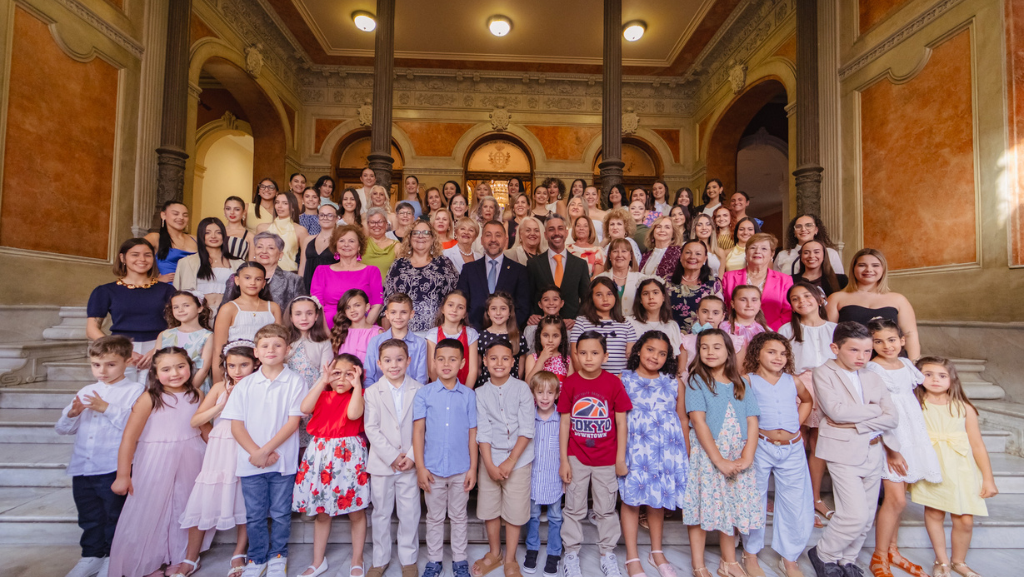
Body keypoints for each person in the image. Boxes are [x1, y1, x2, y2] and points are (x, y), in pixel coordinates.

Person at [807, 322, 899, 577]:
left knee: (867, 516)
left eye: (867, 351)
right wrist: (875, 410)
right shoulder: (823, 373)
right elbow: (836, 412)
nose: (862, 357)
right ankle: (823, 554)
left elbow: (892, 417)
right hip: (842, 451)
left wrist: (858, 422)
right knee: (854, 515)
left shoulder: (873, 375)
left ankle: (847, 560)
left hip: (874, 449)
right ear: (835, 348)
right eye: (854, 350)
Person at [108, 347, 209, 577]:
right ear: (154, 372)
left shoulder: (197, 394)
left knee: (186, 505)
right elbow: (129, 437)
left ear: (190, 367)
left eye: (180, 366)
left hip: (192, 456)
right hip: (155, 459)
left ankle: (182, 557)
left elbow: (204, 429)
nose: (175, 373)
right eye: (166, 369)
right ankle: (146, 561)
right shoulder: (149, 398)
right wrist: (123, 475)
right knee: (148, 507)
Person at [222, 324, 308, 577]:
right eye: (265, 345)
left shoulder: (295, 382)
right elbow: (236, 425)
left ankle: (278, 556)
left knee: (281, 513)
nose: (271, 349)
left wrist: (265, 451)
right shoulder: (245, 384)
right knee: (255, 514)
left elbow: (292, 423)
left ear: (287, 350)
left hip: (282, 462)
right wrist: (256, 453)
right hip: (250, 463)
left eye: (277, 345)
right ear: (256, 352)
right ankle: (256, 558)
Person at [56, 336, 144, 577]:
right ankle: (91, 556)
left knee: (115, 516)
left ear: (128, 361)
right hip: (83, 467)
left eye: (110, 364)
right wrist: (72, 414)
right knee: (89, 516)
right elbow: (62, 429)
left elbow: (135, 427)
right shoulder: (86, 391)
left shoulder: (135, 391)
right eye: (96, 365)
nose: (102, 371)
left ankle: (113, 558)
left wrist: (106, 408)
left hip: (112, 467)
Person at [682, 329, 762, 577]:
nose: (710, 352)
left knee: (731, 505)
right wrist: (718, 460)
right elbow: (698, 422)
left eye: (717, 347)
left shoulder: (741, 382)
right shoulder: (696, 381)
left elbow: (752, 420)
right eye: (704, 347)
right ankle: (698, 565)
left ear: (728, 351)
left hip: (737, 452)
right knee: (702, 507)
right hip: (709, 454)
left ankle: (729, 562)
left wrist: (747, 456)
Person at [866, 319, 942, 577]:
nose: (886, 346)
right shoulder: (872, 369)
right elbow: (877, 411)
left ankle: (893, 551)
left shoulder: (907, 364)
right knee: (896, 499)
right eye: (878, 341)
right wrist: (892, 449)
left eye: (891, 340)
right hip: (891, 439)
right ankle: (879, 555)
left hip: (911, 435)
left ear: (902, 340)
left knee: (900, 500)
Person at [910, 357, 998, 577]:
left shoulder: (964, 408)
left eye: (942, 375)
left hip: (962, 470)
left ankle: (959, 562)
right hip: (932, 466)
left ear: (952, 379)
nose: (935, 380)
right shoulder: (915, 405)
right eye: (928, 374)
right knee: (935, 512)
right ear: (918, 377)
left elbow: (977, 445)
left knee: (965, 520)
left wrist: (988, 479)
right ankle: (942, 561)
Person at [179, 340, 256, 577]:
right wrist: (221, 407)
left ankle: (239, 552)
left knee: (245, 498)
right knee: (205, 496)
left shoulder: (258, 387)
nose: (237, 371)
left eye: (244, 365)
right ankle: (191, 557)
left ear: (255, 364)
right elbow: (195, 421)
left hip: (247, 444)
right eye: (232, 366)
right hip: (221, 445)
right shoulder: (219, 388)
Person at [558, 331, 632, 577]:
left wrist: (620, 459)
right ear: (576, 355)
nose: (588, 358)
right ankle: (571, 553)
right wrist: (564, 460)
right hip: (576, 457)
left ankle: (607, 553)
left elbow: (621, 423)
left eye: (594, 353)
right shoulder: (570, 383)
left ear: (605, 356)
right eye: (583, 353)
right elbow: (565, 424)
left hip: (607, 459)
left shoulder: (613, 383)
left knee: (606, 510)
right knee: (573, 508)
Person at [740, 333, 814, 577]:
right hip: (760, 445)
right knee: (754, 497)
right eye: (771, 352)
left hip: (792, 448)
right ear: (757, 353)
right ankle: (750, 553)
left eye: (783, 353)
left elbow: (807, 401)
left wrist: (795, 426)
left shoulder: (793, 381)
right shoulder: (747, 381)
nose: (778, 357)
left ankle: (789, 557)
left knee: (794, 501)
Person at [619, 331, 688, 577]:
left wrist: (686, 454)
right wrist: (619, 455)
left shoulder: (673, 382)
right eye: (650, 349)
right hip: (635, 449)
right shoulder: (624, 380)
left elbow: (682, 418)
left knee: (657, 500)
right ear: (638, 350)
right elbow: (618, 420)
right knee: (631, 500)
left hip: (667, 451)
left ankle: (656, 552)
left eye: (662, 353)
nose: (655, 356)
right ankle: (632, 556)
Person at [293, 354, 368, 577]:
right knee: (322, 512)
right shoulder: (322, 395)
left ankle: (357, 559)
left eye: (349, 374)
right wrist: (322, 380)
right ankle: (318, 561)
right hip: (321, 455)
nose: (342, 379)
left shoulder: (360, 396)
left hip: (349, 456)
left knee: (356, 510)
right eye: (337, 373)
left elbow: (353, 414)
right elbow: (304, 407)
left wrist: (357, 386)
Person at [414, 339, 478, 577]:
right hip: (432, 469)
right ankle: (434, 560)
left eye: (452, 359)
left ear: (462, 363)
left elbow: (473, 433)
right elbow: (418, 432)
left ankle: (460, 560)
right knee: (434, 517)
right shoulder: (424, 394)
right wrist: (420, 467)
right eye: (440, 359)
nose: (446, 364)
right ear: (433, 362)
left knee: (459, 516)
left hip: (461, 468)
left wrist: (473, 468)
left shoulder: (469, 395)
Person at [472, 339, 536, 577]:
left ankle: (510, 558)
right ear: (485, 361)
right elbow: (483, 430)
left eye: (505, 358)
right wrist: (489, 464)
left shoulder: (522, 389)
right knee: (490, 508)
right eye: (493, 358)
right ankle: (494, 553)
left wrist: (510, 461)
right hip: (490, 456)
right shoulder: (480, 393)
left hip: (519, 459)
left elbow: (527, 429)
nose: (499, 363)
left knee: (515, 510)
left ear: (513, 362)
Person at [777, 282, 837, 528]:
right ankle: (795, 499)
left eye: (807, 296)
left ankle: (815, 498)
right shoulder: (787, 329)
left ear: (820, 299)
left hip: (829, 387)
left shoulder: (835, 329)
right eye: (795, 298)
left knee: (818, 444)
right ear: (791, 306)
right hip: (798, 387)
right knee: (796, 442)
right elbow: (781, 362)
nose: (802, 301)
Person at [87, 238, 177, 380]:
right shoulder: (105, 291)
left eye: (147, 255)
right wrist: (120, 350)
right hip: (119, 351)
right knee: (119, 392)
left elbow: (177, 325)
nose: (142, 259)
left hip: (159, 348)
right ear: (122, 258)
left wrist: (157, 349)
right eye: (135, 254)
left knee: (157, 393)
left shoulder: (167, 290)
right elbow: (91, 329)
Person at [827, 248, 921, 359]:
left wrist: (913, 364)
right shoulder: (836, 298)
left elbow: (910, 334)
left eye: (875, 265)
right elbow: (828, 335)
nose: (869, 269)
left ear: (883, 269)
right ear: (853, 268)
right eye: (862, 265)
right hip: (851, 361)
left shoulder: (898, 299)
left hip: (891, 362)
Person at [523, 371, 564, 577]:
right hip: (533, 479)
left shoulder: (561, 419)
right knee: (532, 516)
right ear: (533, 394)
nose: (545, 397)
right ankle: (532, 549)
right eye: (540, 392)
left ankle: (554, 553)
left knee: (556, 517)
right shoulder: (528, 418)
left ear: (557, 394)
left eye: (550, 393)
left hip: (554, 479)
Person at [385, 220, 460, 333]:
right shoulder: (398, 265)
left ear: (433, 238)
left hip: (435, 333)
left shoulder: (444, 264)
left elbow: (454, 297)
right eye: (416, 233)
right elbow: (387, 300)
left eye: (426, 233)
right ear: (409, 238)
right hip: (402, 332)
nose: (420, 236)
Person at [212, 262, 282, 382]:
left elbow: (279, 343)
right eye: (247, 278)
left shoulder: (273, 308)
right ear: (237, 280)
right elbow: (218, 350)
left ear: (264, 283)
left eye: (258, 279)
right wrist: (218, 383)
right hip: (237, 371)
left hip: (267, 369)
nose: (253, 282)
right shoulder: (228, 309)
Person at [457, 220, 531, 330]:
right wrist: (470, 330)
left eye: (498, 235)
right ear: (481, 240)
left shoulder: (519, 271)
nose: (493, 240)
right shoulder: (469, 269)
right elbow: (461, 302)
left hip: (507, 333)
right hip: (473, 333)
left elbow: (523, 308)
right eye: (488, 235)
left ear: (505, 240)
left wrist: (505, 330)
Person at [283, 296, 334, 452]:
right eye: (298, 314)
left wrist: (309, 398)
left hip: (314, 395)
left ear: (317, 316)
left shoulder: (323, 342)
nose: (304, 318)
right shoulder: (284, 341)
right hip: (289, 396)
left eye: (309, 313)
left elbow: (324, 373)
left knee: (310, 444)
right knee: (290, 439)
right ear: (290, 317)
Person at [310, 224, 384, 330]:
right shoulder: (321, 271)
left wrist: (361, 331)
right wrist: (327, 334)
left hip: (364, 328)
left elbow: (377, 305)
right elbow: (317, 305)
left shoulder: (372, 271)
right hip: (329, 329)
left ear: (359, 246)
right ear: (335, 245)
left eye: (351, 241)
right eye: (341, 241)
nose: (346, 244)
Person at [220, 232, 308, 313]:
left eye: (270, 248)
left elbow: (302, 311)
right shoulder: (236, 278)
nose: (264, 251)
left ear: (280, 255)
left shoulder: (294, 280)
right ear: (254, 251)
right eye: (259, 247)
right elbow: (223, 310)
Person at [527, 215, 592, 322]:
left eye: (560, 228)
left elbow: (587, 300)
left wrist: (576, 320)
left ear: (566, 233)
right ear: (545, 235)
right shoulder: (534, 264)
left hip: (572, 326)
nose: (556, 233)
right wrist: (532, 315)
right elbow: (528, 297)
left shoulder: (580, 264)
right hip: (543, 325)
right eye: (551, 229)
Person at [722, 233, 793, 330]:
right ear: (746, 252)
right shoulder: (728, 277)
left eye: (764, 248)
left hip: (772, 333)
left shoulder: (785, 280)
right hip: (735, 333)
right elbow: (724, 308)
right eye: (753, 248)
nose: (757, 251)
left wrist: (767, 331)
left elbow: (788, 312)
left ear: (772, 254)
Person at [175, 217, 243, 314]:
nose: (213, 236)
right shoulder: (186, 262)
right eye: (207, 232)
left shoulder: (239, 263)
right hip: (198, 315)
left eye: (218, 232)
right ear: (201, 235)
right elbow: (177, 295)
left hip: (229, 314)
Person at [568, 277, 637, 374]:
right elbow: (575, 355)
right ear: (591, 298)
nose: (605, 299)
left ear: (615, 296)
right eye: (599, 295)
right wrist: (587, 378)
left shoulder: (626, 323)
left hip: (620, 379)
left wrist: (622, 379)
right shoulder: (581, 322)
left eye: (609, 294)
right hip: (590, 379)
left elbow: (631, 358)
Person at [363, 294, 429, 386]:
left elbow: (421, 379)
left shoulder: (420, 343)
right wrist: (374, 393)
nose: (398, 317)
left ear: (411, 314)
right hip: (379, 393)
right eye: (393, 312)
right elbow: (368, 376)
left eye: (403, 312)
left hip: (411, 393)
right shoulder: (375, 342)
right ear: (387, 314)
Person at [156, 291, 214, 391]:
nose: (180, 310)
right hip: (167, 389)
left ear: (200, 308)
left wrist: (188, 392)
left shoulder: (207, 336)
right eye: (176, 307)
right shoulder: (164, 335)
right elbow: (156, 364)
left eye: (186, 305)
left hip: (195, 387)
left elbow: (204, 370)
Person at [425, 291, 479, 388]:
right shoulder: (433, 334)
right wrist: (443, 391)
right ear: (443, 309)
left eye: (460, 307)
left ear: (465, 314)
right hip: (438, 390)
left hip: (464, 388)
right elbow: (432, 370)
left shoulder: (471, 334)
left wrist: (465, 392)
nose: (454, 310)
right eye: (450, 305)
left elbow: (473, 370)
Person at [667, 239, 723, 334]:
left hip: (702, 337)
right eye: (688, 252)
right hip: (671, 334)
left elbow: (719, 314)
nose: (692, 257)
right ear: (681, 256)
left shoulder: (713, 283)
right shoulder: (667, 281)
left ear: (705, 259)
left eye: (698, 254)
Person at [475, 293, 529, 388]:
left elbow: (521, 368)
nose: (498, 313)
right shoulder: (481, 336)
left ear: (510, 312)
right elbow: (478, 368)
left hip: (511, 388)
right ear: (488, 312)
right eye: (493, 308)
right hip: (487, 387)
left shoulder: (518, 336)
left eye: (503, 308)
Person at [256, 192, 310, 273]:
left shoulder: (300, 230)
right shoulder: (262, 228)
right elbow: (256, 254)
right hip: (264, 273)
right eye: (277, 202)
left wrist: (300, 277)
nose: (279, 206)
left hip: (289, 273)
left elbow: (305, 259)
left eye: (285, 203)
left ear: (293, 207)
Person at [596, 238, 651, 315]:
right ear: (609, 256)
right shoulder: (598, 280)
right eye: (615, 251)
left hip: (635, 322)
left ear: (631, 256)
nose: (619, 255)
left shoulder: (642, 279)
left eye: (624, 251)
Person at [146, 200, 197, 283]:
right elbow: (134, 259)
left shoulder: (195, 239)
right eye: (176, 214)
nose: (181, 217)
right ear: (163, 215)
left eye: (185, 215)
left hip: (194, 287)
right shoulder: (155, 238)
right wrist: (155, 280)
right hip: (168, 287)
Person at [775, 214, 845, 275]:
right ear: (794, 232)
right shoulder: (782, 255)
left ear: (816, 230)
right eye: (798, 226)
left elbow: (838, 280)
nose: (803, 229)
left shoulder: (830, 253)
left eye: (808, 225)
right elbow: (775, 281)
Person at [629, 278, 683, 354]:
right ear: (640, 299)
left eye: (655, 293)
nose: (651, 297)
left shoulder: (671, 326)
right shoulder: (629, 323)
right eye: (645, 293)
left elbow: (676, 354)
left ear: (663, 297)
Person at [331, 289, 384, 362]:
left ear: (367, 307)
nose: (352, 310)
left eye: (357, 305)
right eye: (348, 307)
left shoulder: (377, 333)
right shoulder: (341, 332)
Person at [299, 204, 339, 292]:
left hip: (331, 286)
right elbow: (302, 267)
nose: (325, 218)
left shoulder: (340, 241)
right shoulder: (308, 240)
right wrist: (299, 289)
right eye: (322, 215)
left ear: (336, 219)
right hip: (308, 285)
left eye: (330, 215)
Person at [524, 315, 573, 383]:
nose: (550, 340)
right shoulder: (532, 358)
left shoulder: (567, 360)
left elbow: (571, 386)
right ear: (539, 336)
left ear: (562, 338)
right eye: (545, 335)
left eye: (555, 336)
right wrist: (541, 360)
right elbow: (528, 383)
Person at [524, 288, 566, 356]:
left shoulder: (567, 327)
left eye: (555, 299)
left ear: (562, 303)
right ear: (540, 304)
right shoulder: (531, 328)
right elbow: (527, 354)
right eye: (546, 300)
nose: (551, 303)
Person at [639, 216, 682, 280]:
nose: (662, 230)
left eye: (667, 227)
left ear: (673, 233)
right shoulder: (645, 255)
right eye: (658, 227)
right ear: (653, 232)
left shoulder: (679, 253)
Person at [364, 207, 399, 284]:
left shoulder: (397, 246)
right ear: (368, 224)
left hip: (388, 289)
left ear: (386, 224)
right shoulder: (361, 244)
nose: (376, 225)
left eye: (380, 222)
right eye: (372, 222)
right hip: (363, 289)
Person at [223, 196, 255, 261]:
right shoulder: (218, 232)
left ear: (244, 212)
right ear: (224, 211)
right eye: (228, 209)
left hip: (239, 267)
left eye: (237, 209)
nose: (232, 212)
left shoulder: (250, 236)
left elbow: (252, 263)